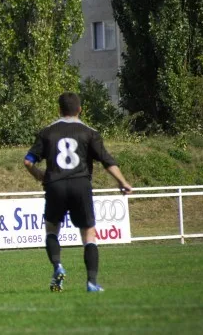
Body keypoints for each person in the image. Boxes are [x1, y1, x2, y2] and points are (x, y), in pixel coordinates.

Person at [23, 92, 133, 293]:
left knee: (51, 230)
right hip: (80, 184)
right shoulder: (89, 133)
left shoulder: (47, 132)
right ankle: (91, 283)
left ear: (59, 110)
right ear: (80, 110)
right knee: (88, 234)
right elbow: (107, 161)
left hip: (55, 185)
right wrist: (122, 182)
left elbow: (28, 161)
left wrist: (39, 175)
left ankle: (58, 266)